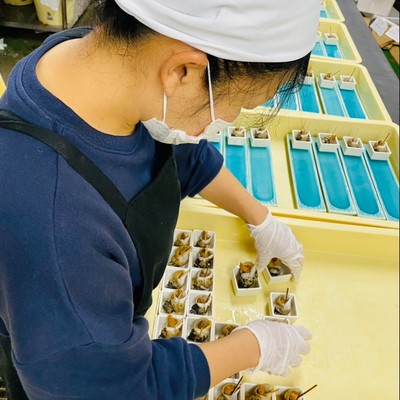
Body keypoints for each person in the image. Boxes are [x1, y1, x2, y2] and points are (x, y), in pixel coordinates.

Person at [0, 0, 319, 399]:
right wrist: (252, 346)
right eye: (239, 104)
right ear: (182, 71)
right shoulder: (55, 225)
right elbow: (114, 389)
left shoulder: (98, 65)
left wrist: (259, 217)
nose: (228, 119)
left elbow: (182, 155)